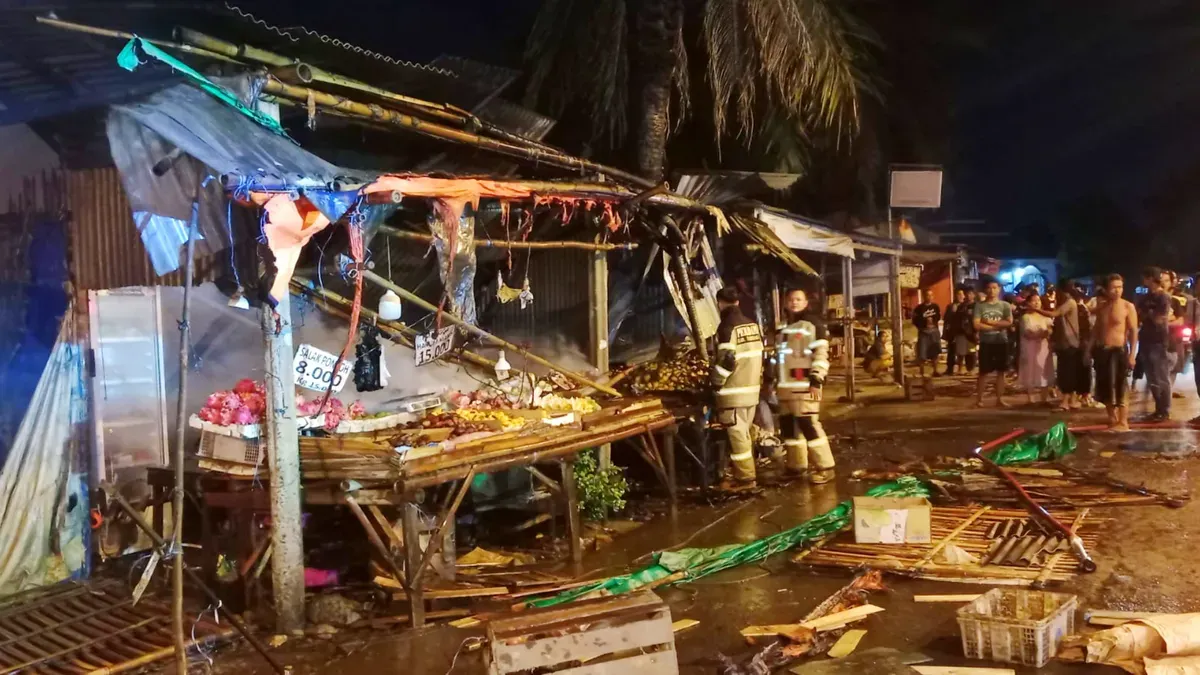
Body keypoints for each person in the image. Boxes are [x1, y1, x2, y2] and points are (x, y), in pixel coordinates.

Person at [775, 288, 835, 484]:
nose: (794, 302)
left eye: (798, 299)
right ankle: (796, 466)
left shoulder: (813, 324)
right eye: (791, 299)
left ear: (806, 302)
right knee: (789, 428)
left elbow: (821, 355)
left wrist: (817, 379)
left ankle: (826, 467)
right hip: (785, 388)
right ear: (785, 302)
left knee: (809, 425)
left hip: (805, 386)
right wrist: (770, 380)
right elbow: (778, 358)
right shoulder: (783, 327)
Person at [710, 287, 765, 490]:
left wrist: (715, 383)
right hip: (751, 390)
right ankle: (744, 474)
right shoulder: (752, 325)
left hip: (733, 393)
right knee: (745, 434)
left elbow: (726, 361)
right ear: (738, 303)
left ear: (720, 303)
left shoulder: (727, 327)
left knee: (737, 435)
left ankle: (745, 480)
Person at [1086, 274, 1138, 431]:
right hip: (1102, 351)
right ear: (1107, 290)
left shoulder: (1128, 307)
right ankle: (1112, 418)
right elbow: (1095, 331)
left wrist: (1132, 355)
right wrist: (1088, 350)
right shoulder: (1102, 307)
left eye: (1120, 287)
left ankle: (1123, 421)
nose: (1117, 291)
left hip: (1119, 350)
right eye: (1114, 287)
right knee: (1105, 387)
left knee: (1121, 387)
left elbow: (1134, 332)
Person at [1042, 281, 1090, 410]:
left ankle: (1065, 402)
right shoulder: (1071, 303)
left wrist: (1034, 309)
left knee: (1067, 373)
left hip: (1070, 344)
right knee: (1070, 372)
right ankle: (1072, 401)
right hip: (1069, 344)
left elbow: (1054, 314)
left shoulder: (1069, 303)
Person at [1139, 267, 1173, 421]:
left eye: (1145, 278)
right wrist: (1149, 314)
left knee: (1161, 376)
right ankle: (1158, 409)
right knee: (1151, 377)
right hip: (1145, 339)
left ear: (1150, 278)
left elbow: (1160, 318)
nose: (1143, 281)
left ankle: (1164, 410)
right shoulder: (1145, 297)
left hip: (1159, 341)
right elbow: (1140, 314)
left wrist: (1149, 314)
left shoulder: (1163, 297)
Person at [974, 280, 1014, 407]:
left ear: (999, 289)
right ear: (986, 290)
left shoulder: (1005, 305)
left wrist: (989, 323)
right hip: (986, 342)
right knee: (983, 372)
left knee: (1001, 372)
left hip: (1001, 342)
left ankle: (1000, 399)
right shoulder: (980, 306)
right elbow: (976, 324)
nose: (992, 290)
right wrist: (996, 327)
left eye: (994, 287)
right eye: (989, 288)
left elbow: (1009, 322)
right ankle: (979, 399)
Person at [1019, 294, 1054, 404]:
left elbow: (1051, 330)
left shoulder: (1045, 317)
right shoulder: (1026, 317)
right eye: (1033, 301)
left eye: (1038, 300)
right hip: (1030, 347)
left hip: (1043, 347)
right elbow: (1027, 333)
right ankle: (1031, 398)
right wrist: (1041, 334)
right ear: (1028, 303)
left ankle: (1044, 398)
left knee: (1044, 370)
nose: (1036, 303)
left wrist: (1047, 333)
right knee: (1031, 370)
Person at [912, 289, 942, 379]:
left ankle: (935, 370)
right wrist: (924, 323)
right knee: (922, 352)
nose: (929, 297)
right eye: (927, 295)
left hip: (934, 331)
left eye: (931, 295)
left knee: (935, 352)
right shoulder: (919, 308)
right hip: (924, 332)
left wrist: (933, 321)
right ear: (924, 296)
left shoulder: (935, 306)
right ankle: (922, 372)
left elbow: (938, 317)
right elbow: (915, 320)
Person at [944, 288, 967, 375]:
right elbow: (946, 320)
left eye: (962, 294)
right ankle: (949, 369)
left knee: (961, 352)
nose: (960, 296)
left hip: (962, 332)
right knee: (951, 351)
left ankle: (960, 369)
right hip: (952, 332)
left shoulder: (965, 306)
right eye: (958, 294)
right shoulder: (950, 306)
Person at [963, 287, 979, 372]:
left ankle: (972, 368)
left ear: (974, 295)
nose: (968, 296)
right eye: (967, 294)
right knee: (966, 352)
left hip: (973, 331)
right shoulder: (963, 305)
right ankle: (968, 368)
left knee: (972, 350)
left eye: (970, 294)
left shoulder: (976, 306)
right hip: (965, 332)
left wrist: (977, 331)